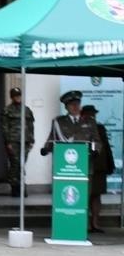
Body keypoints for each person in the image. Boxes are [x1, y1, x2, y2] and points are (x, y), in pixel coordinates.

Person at [41, 90, 102, 231]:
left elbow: (97, 141)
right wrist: (46, 149)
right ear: (66, 107)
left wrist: (94, 150)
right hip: (64, 169)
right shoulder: (59, 122)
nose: (75, 107)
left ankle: (82, 228)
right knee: (64, 198)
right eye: (71, 105)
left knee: (83, 198)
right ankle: (65, 226)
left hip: (84, 167)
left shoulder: (89, 121)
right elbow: (52, 139)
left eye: (77, 104)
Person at [81, 104, 114, 232]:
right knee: (86, 196)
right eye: (89, 114)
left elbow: (106, 147)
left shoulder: (100, 128)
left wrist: (110, 165)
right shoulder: (79, 127)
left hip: (99, 168)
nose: (92, 117)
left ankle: (95, 223)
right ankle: (86, 223)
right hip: (84, 166)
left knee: (96, 196)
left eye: (93, 114)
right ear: (83, 115)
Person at [2, 86, 35, 195]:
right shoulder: (7, 110)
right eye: (15, 96)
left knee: (22, 164)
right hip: (13, 141)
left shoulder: (26, 110)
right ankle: (15, 187)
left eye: (19, 95)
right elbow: (4, 127)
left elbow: (31, 126)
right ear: (12, 97)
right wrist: (7, 142)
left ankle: (20, 185)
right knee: (15, 164)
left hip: (25, 141)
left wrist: (31, 141)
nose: (18, 98)